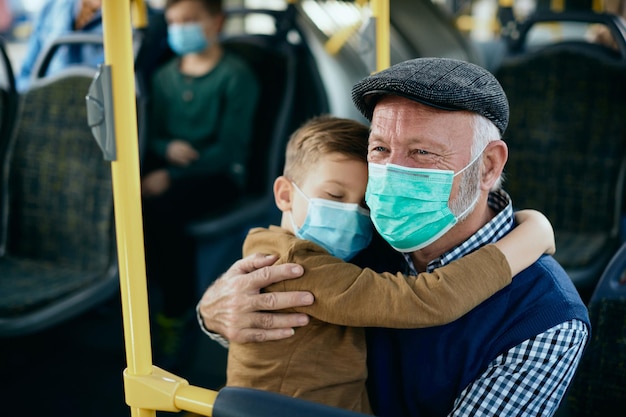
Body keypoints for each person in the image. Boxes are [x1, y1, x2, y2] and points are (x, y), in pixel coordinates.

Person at [197, 57, 591, 416]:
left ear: (487, 167)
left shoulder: (546, 316)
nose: (391, 172)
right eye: (381, 148)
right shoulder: (354, 237)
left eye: (421, 152)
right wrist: (213, 314)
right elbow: (290, 330)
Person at [226, 114, 556, 414]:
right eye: (335, 196)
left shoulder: (348, 248)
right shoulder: (294, 264)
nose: (352, 216)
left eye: (365, 204)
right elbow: (425, 301)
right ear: (285, 194)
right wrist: (529, 236)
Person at [141, 0, 259, 363]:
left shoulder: (236, 76)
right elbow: (154, 135)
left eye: (191, 20)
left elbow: (229, 150)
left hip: (217, 175)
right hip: (171, 171)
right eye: (175, 22)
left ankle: (176, 312)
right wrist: (167, 148)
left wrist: (172, 174)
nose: (181, 29)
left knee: (164, 210)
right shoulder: (162, 77)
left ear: (217, 21)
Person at [16, 0, 103, 92]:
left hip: (94, 102)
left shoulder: (116, 18)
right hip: (47, 101)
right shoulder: (52, 7)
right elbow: (24, 76)